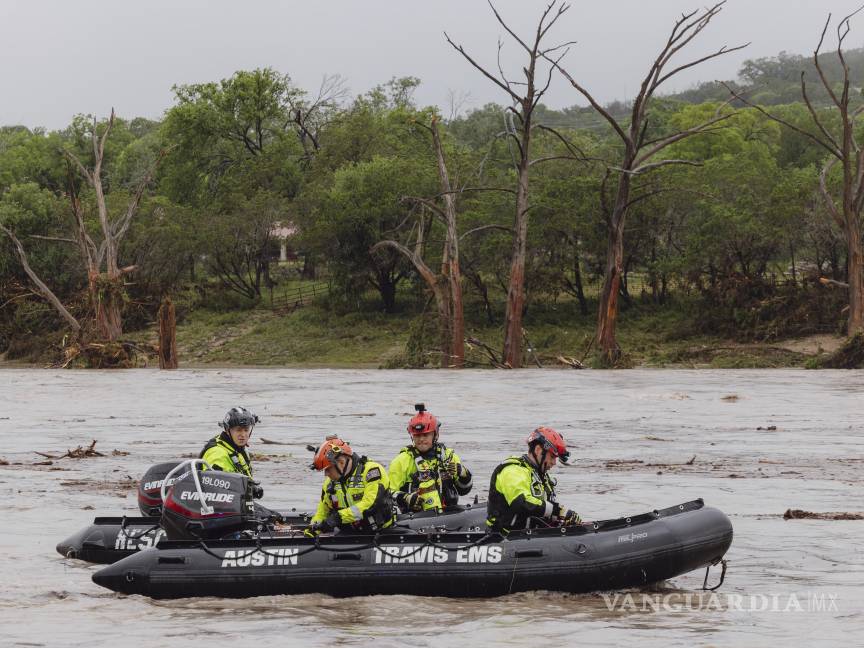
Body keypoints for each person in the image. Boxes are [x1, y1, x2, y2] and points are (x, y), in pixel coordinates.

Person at [486, 426, 581, 534]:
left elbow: (543, 510)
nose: (554, 463)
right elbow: (522, 503)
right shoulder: (513, 471)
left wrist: (563, 519)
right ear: (538, 450)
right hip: (504, 537)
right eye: (552, 457)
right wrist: (559, 511)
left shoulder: (541, 476)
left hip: (531, 535)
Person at [388, 403, 472, 513]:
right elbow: (388, 493)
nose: (421, 439)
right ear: (412, 436)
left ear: (435, 434)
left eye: (425, 435)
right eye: (417, 436)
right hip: (416, 518)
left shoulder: (449, 457)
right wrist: (406, 498)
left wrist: (463, 473)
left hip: (450, 515)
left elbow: (464, 490)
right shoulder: (401, 461)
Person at [305, 435, 395, 536]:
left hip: (381, 532)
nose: (326, 474)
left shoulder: (372, 471)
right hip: (349, 534)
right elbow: (322, 512)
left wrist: (338, 518)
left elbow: (370, 504)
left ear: (341, 462)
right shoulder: (329, 483)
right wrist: (312, 530)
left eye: (328, 469)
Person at [199, 406, 264, 500]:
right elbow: (214, 488)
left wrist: (251, 489)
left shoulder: (237, 448)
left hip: (238, 503)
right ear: (227, 430)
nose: (243, 435)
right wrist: (247, 489)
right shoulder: (217, 453)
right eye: (238, 430)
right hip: (218, 508)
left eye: (246, 430)